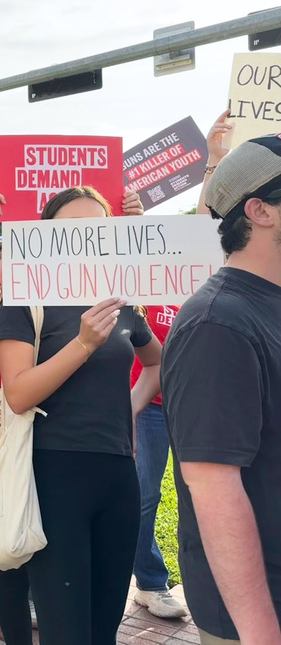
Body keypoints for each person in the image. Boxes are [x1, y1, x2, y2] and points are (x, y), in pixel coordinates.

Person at [0, 186, 162, 645]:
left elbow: (157, 364)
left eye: (98, 228)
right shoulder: (24, 299)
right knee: (67, 630)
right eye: (73, 228)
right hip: (53, 474)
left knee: (104, 627)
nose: (88, 237)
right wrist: (84, 343)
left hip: (118, 475)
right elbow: (18, 393)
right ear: (47, 237)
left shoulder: (121, 303)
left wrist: (126, 408)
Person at [162, 134, 281, 645]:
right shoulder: (218, 323)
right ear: (260, 210)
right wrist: (259, 633)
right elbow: (213, 488)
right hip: (259, 613)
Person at [129, 303, 187, 619]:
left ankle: (208, 583)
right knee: (146, 497)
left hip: (188, 404)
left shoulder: (190, 293)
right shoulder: (140, 298)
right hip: (148, 407)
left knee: (198, 495)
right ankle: (150, 584)